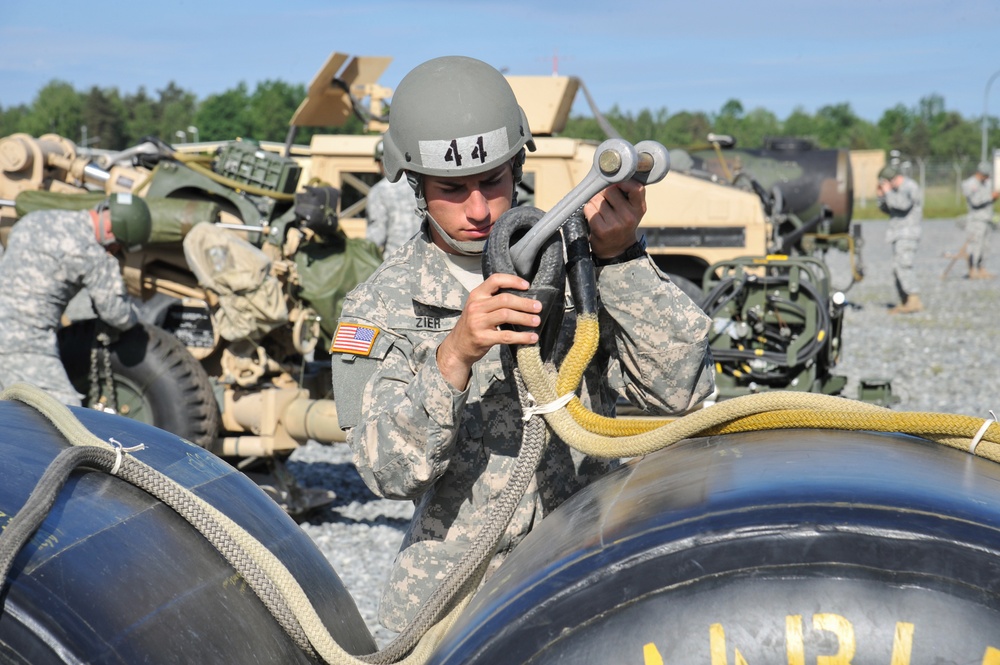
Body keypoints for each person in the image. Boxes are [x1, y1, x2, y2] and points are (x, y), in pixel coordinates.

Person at [330, 55, 715, 632]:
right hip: (455, 600)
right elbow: (385, 471)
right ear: (414, 184)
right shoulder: (380, 305)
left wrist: (620, 258)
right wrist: (454, 356)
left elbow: (683, 397)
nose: (480, 210)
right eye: (451, 189)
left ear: (518, 166)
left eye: (493, 181)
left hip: (587, 574)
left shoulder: (582, 261)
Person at [0, 193, 152, 405]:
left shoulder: (35, 219)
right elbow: (117, 315)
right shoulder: (92, 253)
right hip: (25, 344)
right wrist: (138, 315)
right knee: (65, 418)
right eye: (118, 247)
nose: (115, 251)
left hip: (8, 333)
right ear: (110, 233)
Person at [877, 164, 924, 313]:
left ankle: (914, 300)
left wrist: (889, 192)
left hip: (908, 234)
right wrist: (881, 197)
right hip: (898, 234)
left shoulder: (910, 187)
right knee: (897, 268)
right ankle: (905, 300)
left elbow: (903, 205)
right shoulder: (894, 190)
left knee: (904, 266)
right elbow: (888, 209)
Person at [365, 138, 421, 256]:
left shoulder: (380, 191)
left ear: (384, 162)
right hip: (425, 259)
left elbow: (376, 237)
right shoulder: (420, 183)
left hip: (395, 265)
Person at [960, 161, 999, 280]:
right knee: (974, 246)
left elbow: (990, 200)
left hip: (987, 218)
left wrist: (995, 197)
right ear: (980, 173)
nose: (987, 177)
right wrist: (990, 197)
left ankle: (982, 268)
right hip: (976, 220)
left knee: (985, 246)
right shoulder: (969, 184)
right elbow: (975, 201)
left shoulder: (986, 183)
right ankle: (972, 269)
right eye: (986, 175)